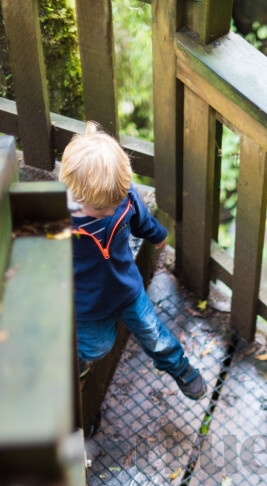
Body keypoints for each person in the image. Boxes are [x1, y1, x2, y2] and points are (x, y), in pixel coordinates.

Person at [59, 122, 206, 399]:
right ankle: (77, 359)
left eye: (117, 203)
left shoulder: (123, 199)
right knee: (97, 348)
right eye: (104, 209)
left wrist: (156, 235)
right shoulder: (60, 223)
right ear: (76, 196)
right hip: (88, 304)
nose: (114, 210)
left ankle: (179, 366)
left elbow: (140, 218)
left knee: (154, 333)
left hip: (127, 289)